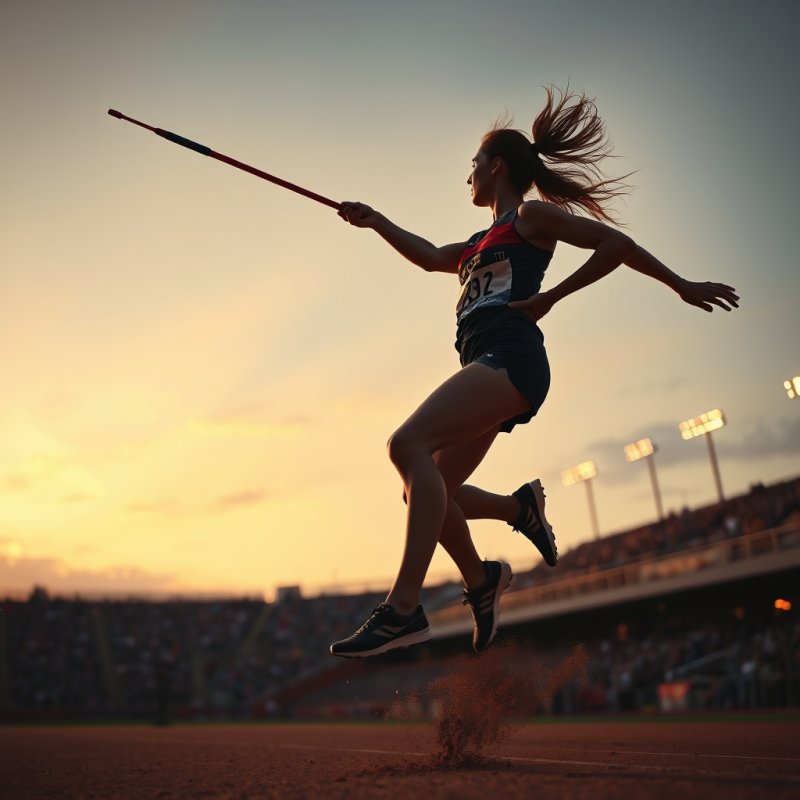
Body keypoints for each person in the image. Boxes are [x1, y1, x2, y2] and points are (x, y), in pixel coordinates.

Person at [329, 87, 738, 658]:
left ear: (496, 166)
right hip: (485, 366)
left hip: (511, 359)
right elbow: (427, 255)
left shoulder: (529, 216)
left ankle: (403, 609)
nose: (467, 175)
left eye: (472, 164)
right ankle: (501, 543)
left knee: (406, 445)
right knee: (426, 494)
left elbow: (614, 244)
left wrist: (573, 295)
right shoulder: (476, 243)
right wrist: (375, 221)